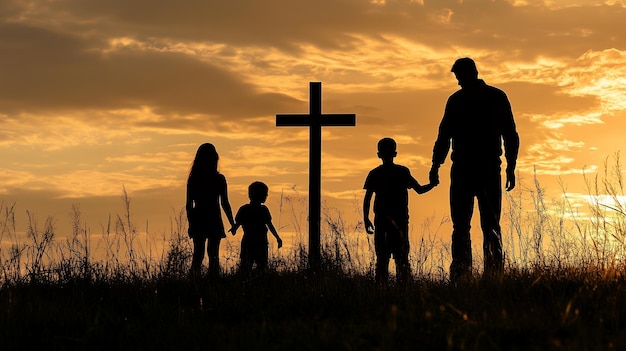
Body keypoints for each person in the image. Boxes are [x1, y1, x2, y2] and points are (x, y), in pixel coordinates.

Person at [429, 57, 520, 282]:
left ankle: (467, 274)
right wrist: (436, 164)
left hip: (474, 169)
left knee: (473, 225)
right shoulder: (492, 97)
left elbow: (510, 134)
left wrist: (511, 165)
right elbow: (510, 134)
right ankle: (480, 274)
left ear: (469, 74)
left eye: (459, 77)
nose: (458, 82)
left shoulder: (463, 100)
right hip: (479, 169)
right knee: (480, 224)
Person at [363, 138, 436, 284]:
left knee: (383, 259)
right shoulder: (401, 172)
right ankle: (403, 287)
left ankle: (383, 288)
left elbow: (367, 198)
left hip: (384, 221)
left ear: (379, 154)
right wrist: (432, 184)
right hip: (398, 221)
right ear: (395, 153)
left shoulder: (375, 173)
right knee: (400, 258)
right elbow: (420, 190)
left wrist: (366, 218)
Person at [186, 143, 235, 278]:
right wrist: (232, 222)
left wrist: (191, 224)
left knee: (200, 255)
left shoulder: (194, 178)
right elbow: (225, 203)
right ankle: (212, 281)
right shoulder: (218, 179)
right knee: (211, 255)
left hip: (202, 218)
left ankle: (196, 281)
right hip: (211, 217)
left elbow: (189, 205)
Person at [230, 181, 283, 274]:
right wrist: (277, 238)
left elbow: (238, 223)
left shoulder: (244, 209)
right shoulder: (263, 209)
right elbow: (270, 225)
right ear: (262, 196)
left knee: (246, 266)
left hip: (248, 241)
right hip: (261, 242)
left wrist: (234, 229)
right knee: (262, 266)